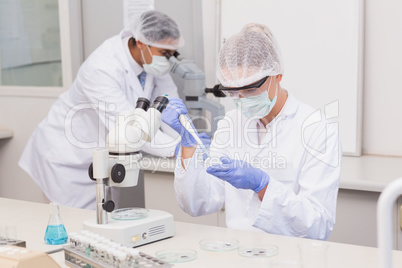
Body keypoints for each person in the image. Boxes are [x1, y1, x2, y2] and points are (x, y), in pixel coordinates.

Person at [162, 23, 341, 240]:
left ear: (278, 74)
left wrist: (263, 186)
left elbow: (317, 226)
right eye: (233, 92)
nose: (243, 99)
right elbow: (200, 202)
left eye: (251, 89)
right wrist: (188, 146)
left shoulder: (317, 130)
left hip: (292, 257)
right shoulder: (232, 122)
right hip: (238, 253)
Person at [19, 10, 209, 209]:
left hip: (106, 158)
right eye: (165, 53)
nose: (169, 60)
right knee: (74, 227)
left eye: (172, 54)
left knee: (106, 223)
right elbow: (130, 128)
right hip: (68, 159)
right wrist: (179, 148)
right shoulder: (101, 68)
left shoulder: (151, 63)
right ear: (142, 43)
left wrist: (190, 138)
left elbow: (171, 109)